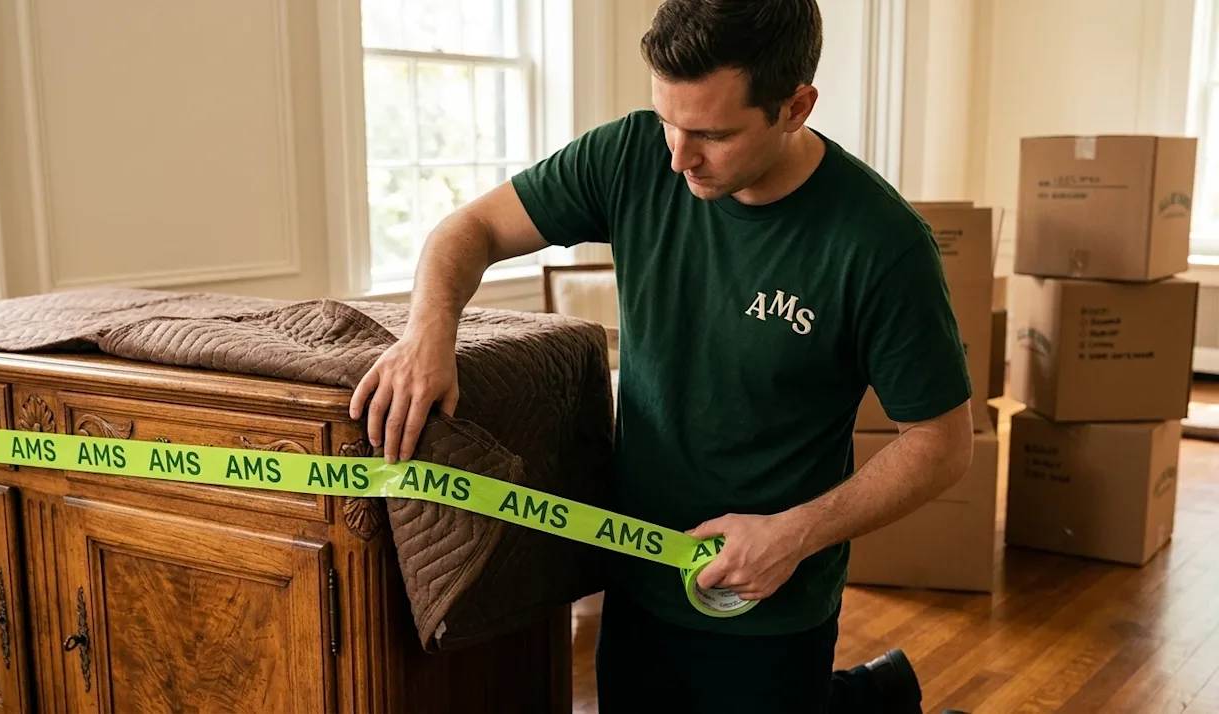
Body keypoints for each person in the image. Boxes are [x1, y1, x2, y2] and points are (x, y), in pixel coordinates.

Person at [349, 0, 975, 712]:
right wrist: (428, 333)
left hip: (771, 599)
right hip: (636, 575)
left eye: (712, 133)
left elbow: (942, 444)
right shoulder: (632, 154)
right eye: (667, 121)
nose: (679, 157)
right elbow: (472, 228)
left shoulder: (882, 243)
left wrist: (793, 534)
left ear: (796, 108)